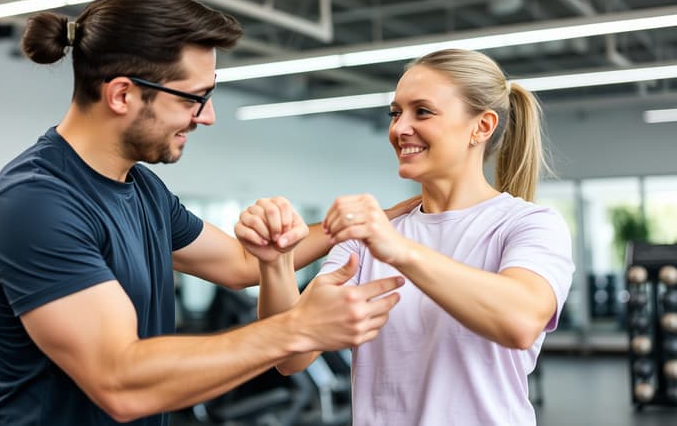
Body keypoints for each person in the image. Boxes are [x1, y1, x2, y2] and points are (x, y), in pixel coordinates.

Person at [0, 0, 409, 426]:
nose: (208, 117)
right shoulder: (35, 204)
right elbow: (120, 381)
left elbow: (240, 262)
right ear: (122, 94)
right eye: (194, 99)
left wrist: (383, 218)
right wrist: (298, 329)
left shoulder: (142, 188)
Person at [235, 48, 575, 425]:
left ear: (482, 126)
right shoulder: (370, 236)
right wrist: (275, 263)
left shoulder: (527, 224)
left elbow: (521, 320)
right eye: (395, 113)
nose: (399, 129)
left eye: (422, 111)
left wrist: (398, 250)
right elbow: (291, 358)